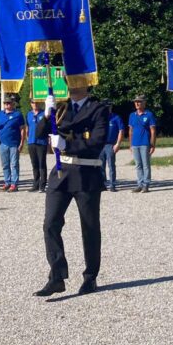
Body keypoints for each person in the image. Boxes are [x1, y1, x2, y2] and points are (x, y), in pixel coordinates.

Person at [35, 87, 110, 297]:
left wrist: (68, 143)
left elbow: (97, 141)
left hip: (86, 173)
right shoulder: (62, 108)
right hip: (61, 173)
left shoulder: (98, 109)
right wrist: (47, 114)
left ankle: (90, 277)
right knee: (50, 223)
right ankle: (57, 276)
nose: (71, 82)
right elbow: (40, 134)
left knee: (90, 227)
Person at [0, 97, 26, 192]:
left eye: (9, 103)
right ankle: (7, 182)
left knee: (14, 164)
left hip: (14, 143)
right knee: (5, 165)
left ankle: (14, 184)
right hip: (2, 143)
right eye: (5, 103)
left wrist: (21, 143)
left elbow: (22, 129)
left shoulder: (18, 114)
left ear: (13, 104)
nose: (7, 105)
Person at [128, 94, 157, 193]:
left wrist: (152, 144)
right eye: (136, 102)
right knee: (138, 165)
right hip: (135, 144)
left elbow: (153, 130)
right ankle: (139, 184)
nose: (137, 103)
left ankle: (146, 184)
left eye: (139, 101)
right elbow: (130, 131)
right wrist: (130, 144)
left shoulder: (149, 115)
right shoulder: (132, 115)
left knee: (145, 165)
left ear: (144, 103)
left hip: (145, 143)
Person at [26, 99, 51, 193]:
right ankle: (35, 184)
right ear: (31, 104)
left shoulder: (44, 114)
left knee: (42, 164)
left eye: (36, 102)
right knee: (34, 164)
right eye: (33, 102)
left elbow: (48, 127)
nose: (35, 104)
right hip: (31, 142)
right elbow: (28, 126)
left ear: (40, 103)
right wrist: (28, 138)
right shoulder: (28, 114)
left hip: (42, 142)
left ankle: (42, 185)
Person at [100, 100, 124, 192]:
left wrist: (118, 144)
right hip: (101, 144)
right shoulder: (100, 118)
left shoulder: (116, 118)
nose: (107, 109)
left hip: (111, 145)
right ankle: (102, 184)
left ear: (111, 107)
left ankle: (112, 185)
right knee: (100, 166)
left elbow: (121, 131)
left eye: (108, 107)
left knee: (111, 166)